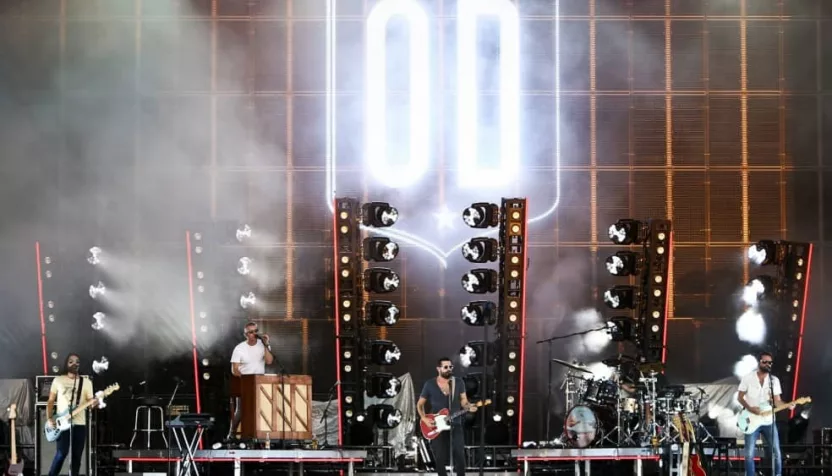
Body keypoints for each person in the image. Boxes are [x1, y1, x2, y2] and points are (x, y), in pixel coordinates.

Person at [417, 357, 477, 476]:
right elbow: (420, 404)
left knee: (459, 454)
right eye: (446, 367)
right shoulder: (429, 384)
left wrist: (469, 406)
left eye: (451, 367)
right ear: (438, 369)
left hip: (455, 423)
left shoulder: (458, 382)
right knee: (439, 456)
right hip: (436, 424)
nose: (449, 369)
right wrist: (424, 418)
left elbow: (464, 401)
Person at [737, 351, 791, 476]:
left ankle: (777, 474)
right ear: (759, 363)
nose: (768, 364)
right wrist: (750, 408)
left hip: (768, 421)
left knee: (776, 451)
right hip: (751, 419)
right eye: (765, 362)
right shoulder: (748, 378)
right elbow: (740, 397)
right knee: (749, 454)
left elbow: (777, 401)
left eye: (770, 362)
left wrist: (787, 405)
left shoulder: (774, 381)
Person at [46, 353, 96, 476]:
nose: (75, 364)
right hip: (62, 423)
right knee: (62, 453)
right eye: (71, 361)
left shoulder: (87, 382)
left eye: (77, 362)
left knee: (77, 456)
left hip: (79, 424)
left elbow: (90, 404)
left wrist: (94, 404)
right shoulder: (58, 380)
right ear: (66, 363)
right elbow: (51, 401)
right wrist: (49, 418)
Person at [227, 321, 274, 439]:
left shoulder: (262, 344)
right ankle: (232, 434)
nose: (254, 334)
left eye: (256, 331)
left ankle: (260, 435)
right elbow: (234, 369)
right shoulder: (239, 348)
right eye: (251, 332)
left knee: (261, 409)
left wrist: (266, 344)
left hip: (260, 383)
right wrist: (244, 379)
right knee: (241, 410)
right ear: (246, 335)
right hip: (244, 383)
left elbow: (269, 361)